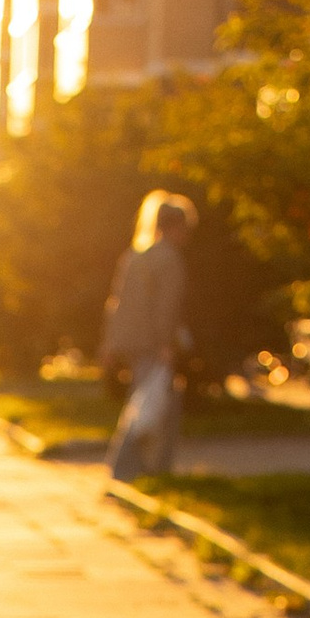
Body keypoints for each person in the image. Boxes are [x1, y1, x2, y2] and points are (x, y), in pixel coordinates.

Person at [102, 190, 196, 481]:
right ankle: (135, 471)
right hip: (154, 344)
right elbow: (165, 307)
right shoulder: (169, 259)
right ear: (175, 227)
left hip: (131, 343)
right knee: (153, 408)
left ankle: (137, 470)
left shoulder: (136, 256)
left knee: (144, 402)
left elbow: (117, 303)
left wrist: (109, 343)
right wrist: (166, 344)